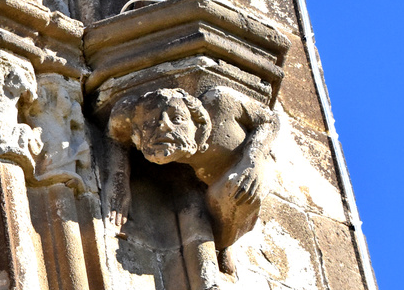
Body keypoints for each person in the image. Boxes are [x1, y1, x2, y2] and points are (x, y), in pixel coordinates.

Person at [105, 86, 278, 274]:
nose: (163, 126)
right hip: (209, 181)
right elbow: (116, 132)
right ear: (138, 133)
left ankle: (223, 242)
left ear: (197, 122)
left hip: (249, 165)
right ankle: (219, 241)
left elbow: (271, 120)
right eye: (150, 123)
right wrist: (119, 179)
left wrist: (254, 160)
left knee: (233, 191)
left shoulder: (220, 102)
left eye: (177, 119)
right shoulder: (130, 112)